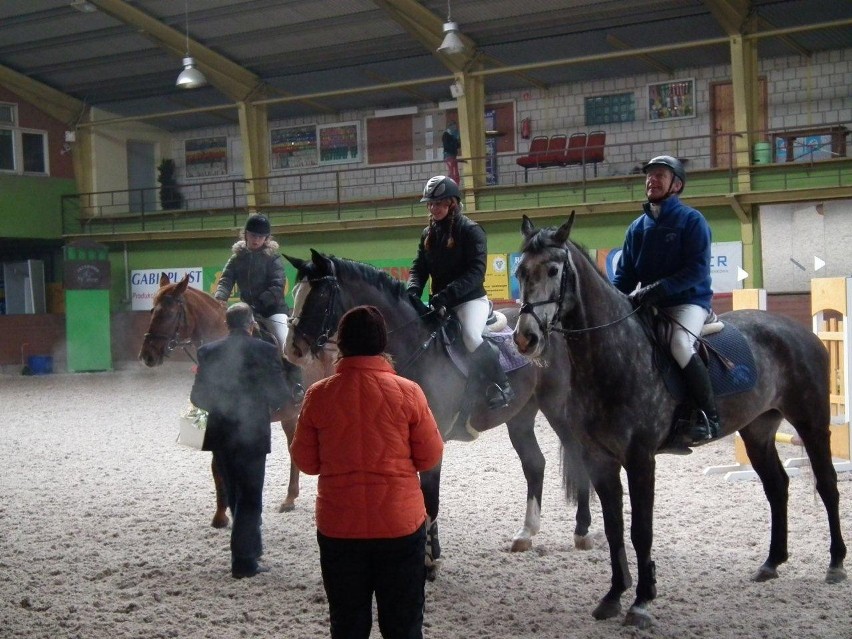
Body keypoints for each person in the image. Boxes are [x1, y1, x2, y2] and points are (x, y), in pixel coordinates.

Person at [291, 305, 444, 639]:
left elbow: (307, 463)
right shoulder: (409, 391)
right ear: (381, 344)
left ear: (341, 345)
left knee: (347, 624)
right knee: (403, 625)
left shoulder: (318, 395)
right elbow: (430, 456)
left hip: (339, 528)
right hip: (400, 527)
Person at [612, 155, 720, 444]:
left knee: (679, 344)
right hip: (650, 304)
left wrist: (658, 289)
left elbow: (697, 270)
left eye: (660, 175)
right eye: (649, 175)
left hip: (688, 301)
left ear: (677, 184)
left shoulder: (691, 220)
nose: (652, 180)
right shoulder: (636, 228)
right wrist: (613, 302)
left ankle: (708, 414)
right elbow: (624, 276)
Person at [190, 302, 290, 579]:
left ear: (227, 324)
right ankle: (244, 562)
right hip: (251, 434)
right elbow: (279, 396)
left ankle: (252, 549)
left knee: (234, 493)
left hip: (220, 435)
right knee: (250, 498)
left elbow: (197, 399)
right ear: (251, 325)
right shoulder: (266, 350)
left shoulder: (207, 352)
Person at [406, 175, 514, 410]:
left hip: (470, 300)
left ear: (452, 203)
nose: (433, 208)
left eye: (439, 203)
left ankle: (500, 384)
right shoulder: (428, 234)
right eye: (431, 204)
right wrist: (413, 290)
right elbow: (419, 268)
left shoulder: (472, 231)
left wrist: (447, 295)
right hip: (440, 301)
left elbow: (476, 273)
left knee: (471, 337)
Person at [214, 214, 290, 355]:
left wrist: (259, 304)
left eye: (261, 237)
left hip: (272, 310)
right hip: (247, 310)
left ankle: (293, 374)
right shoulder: (236, 258)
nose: (256, 239)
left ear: (266, 238)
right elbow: (226, 280)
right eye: (253, 235)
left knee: (284, 341)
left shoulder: (273, 258)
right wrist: (220, 298)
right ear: (246, 235)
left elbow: (277, 286)